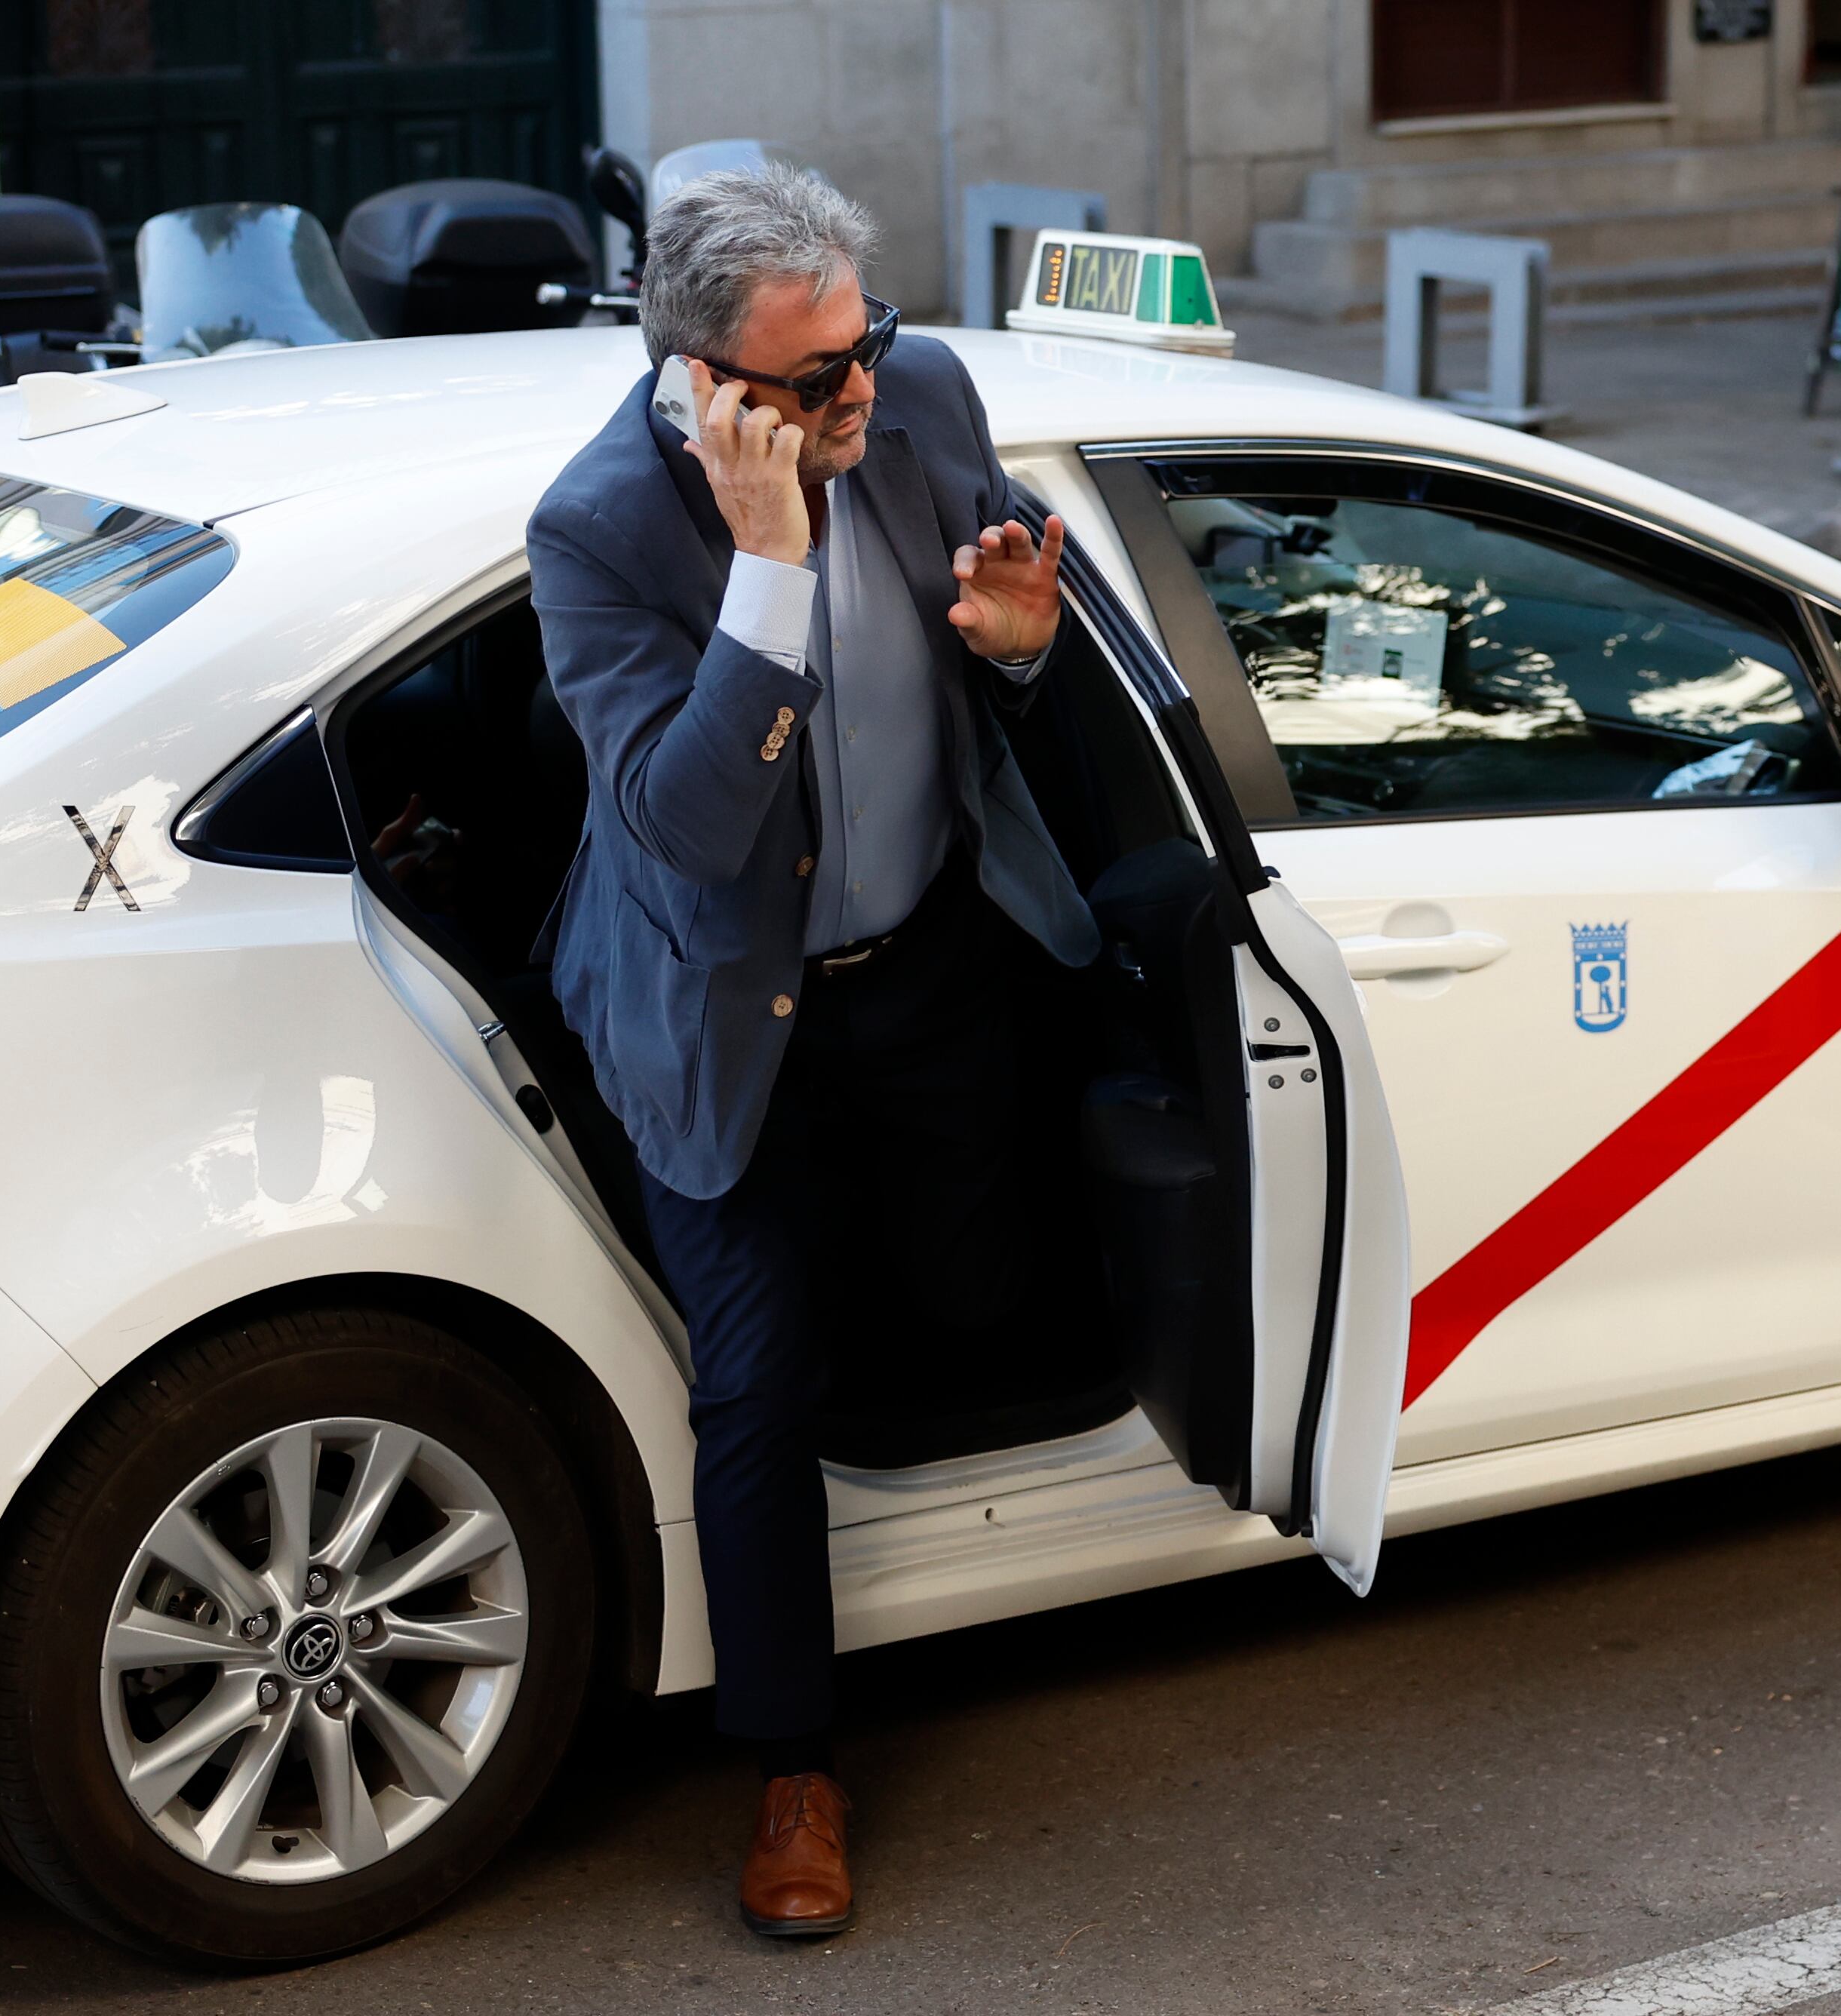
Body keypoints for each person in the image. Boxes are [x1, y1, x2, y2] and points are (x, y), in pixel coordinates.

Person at [527, 164, 1099, 1938]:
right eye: (810, 380)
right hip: (722, 1003)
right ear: (706, 388)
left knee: (978, 1290)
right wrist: (766, 570)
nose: (860, 394)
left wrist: (1016, 655)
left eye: (868, 345)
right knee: (759, 1386)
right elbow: (689, 828)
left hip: (928, 957)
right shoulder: (604, 528)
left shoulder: (914, 396)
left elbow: (1002, 629)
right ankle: (789, 1764)